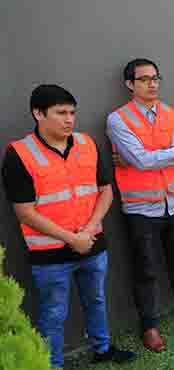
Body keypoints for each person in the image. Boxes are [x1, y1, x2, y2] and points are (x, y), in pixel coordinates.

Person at [2, 85, 136, 368]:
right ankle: (53, 364)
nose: (69, 119)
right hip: (50, 255)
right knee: (53, 314)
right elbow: (25, 212)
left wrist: (87, 232)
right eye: (60, 113)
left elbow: (106, 191)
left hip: (93, 244)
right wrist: (70, 238)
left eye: (72, 112)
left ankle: (103, 349)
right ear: (38, 114)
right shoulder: (19, 154)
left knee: (97, 300)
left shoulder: (87, 144)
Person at [107, 58, 174, 353]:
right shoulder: (118, 119)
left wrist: (150, 156)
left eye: (155, 78)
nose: (152, 84)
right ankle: (150, 326)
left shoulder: (173, 114)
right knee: (146, 268)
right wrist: (165, 153)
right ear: (130, 84)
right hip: (142, 208)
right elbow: (144, 159)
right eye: (144, 79)